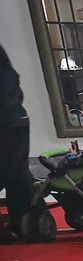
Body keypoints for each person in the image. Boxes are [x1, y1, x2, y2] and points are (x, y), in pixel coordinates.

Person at [1, 45, 41, 243]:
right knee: (18, 174)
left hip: (6, 121)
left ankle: (26, 224)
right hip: (16, 119)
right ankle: (30, 221)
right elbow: (13, 80)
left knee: (15, 175)